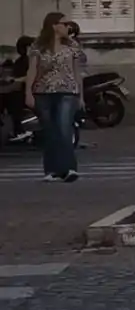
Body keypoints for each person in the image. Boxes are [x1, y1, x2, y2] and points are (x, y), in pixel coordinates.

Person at [23, 12, 86, 182]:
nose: (68, 27)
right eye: (65, 24)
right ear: (54, 26)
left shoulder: (72, 45)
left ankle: (69, 169)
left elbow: (77, 71)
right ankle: (52, 171)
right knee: (50, 131)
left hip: (67, 91)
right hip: (43, 92)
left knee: (64, 129)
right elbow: (32, 70)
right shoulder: (39, 46)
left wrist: (81, 95)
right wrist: (28, 92)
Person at [1, 36, 31, 136]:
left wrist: (14, 79)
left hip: (28, 90)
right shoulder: (20, 61)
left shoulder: (31, 60)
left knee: (13, 98)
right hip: (19, 88)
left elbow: (31, 76)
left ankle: (19, 129)